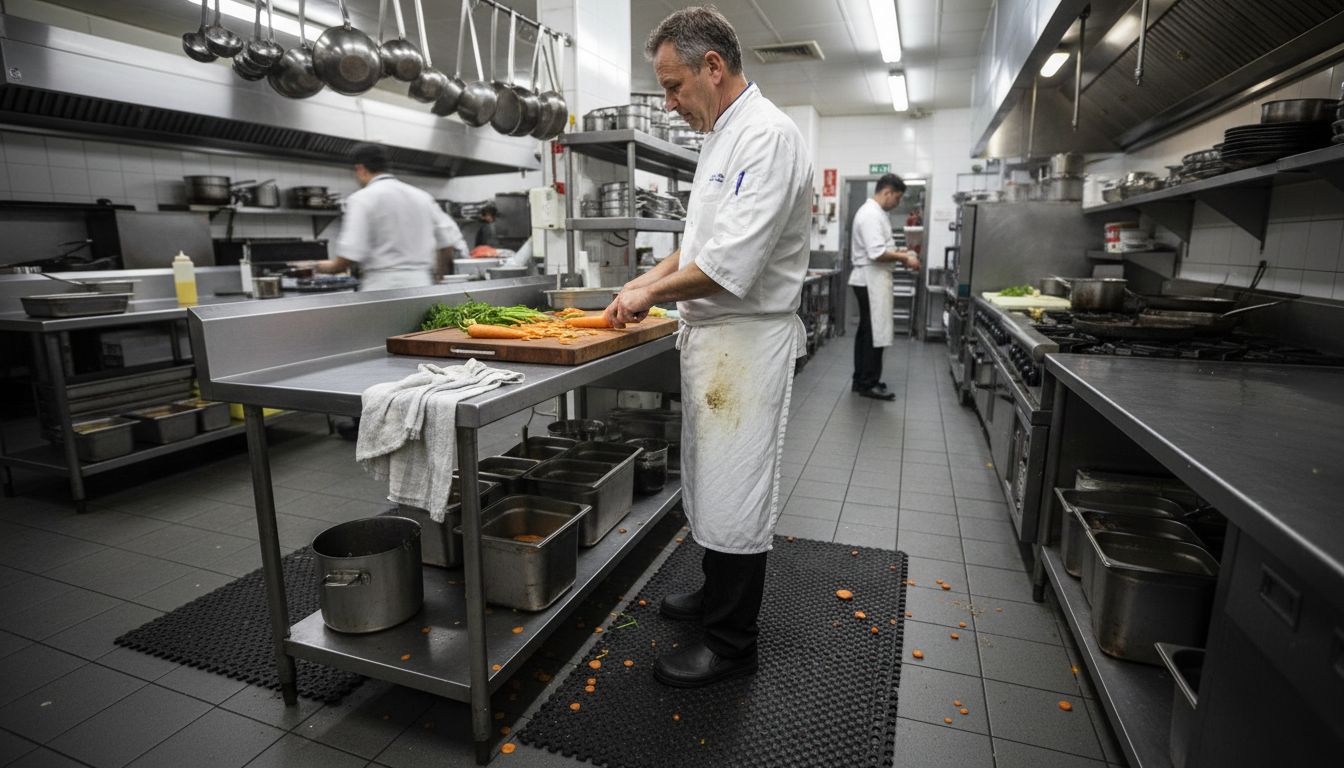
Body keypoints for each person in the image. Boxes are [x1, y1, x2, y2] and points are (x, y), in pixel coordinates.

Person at [604, 6, 813, 689]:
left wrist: (647, 298)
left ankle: (730, 640)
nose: (669, 102)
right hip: (714, 340)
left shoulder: (768, 137)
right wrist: (645, 277)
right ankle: (712, 590)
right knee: (708, 475)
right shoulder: (721, 137)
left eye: (672, 86)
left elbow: (731, 267)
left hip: (747, 343)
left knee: (736, 487)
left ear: (713, 68)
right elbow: (698, 250)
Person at [313, 143, 466, 291]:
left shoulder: (362, 198)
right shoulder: (422, 197)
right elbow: (447, 241)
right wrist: (439, 275)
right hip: (423, 283)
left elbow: (349, 254)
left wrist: (325, 267)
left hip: (383, 286)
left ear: (360, 169)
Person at [849, 174, 921, 400]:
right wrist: (905, 258)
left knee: (868, 331)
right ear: (887, 192)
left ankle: (862, 380)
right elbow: (877, 252)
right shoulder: (871, 214)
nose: (897, 203)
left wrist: (901, 253)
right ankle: (867, 383)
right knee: (873, 332)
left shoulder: (876, 213)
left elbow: (881, 247)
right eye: (897, 198)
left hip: (871, 278)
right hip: (870, 279)